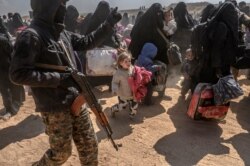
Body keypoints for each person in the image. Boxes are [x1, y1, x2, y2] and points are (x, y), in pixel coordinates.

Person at [9, 0, 121, 165]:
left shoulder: (62, 33)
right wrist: (57, 78)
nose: (63, 8)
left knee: (90, 146)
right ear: (48, 6)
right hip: (55, 106)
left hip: (76, 99)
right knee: (61, 154)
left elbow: (86, 42)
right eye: (60, 3)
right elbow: (18, 74)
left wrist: (108, 23)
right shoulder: (31, 35)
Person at [0, 18, 19, 120]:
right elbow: (11, 51)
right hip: (8, 64)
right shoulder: (4, 36)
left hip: (4, 66)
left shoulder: (2, 38)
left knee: (5, 88)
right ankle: (14, 105)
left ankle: (10, 110)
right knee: (11, 85)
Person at [111, 52, 138, 118]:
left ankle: (132, 115)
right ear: (120, 63)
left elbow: (137, 75)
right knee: (122, 107)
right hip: (123, 95)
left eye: (129, 61)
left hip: (133, 94)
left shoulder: (132, 68)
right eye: (126, 61)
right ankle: (113, 109)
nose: (128, 63)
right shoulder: (118, 73)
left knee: (135, 106)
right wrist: (114, 89)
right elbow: (114, 82)